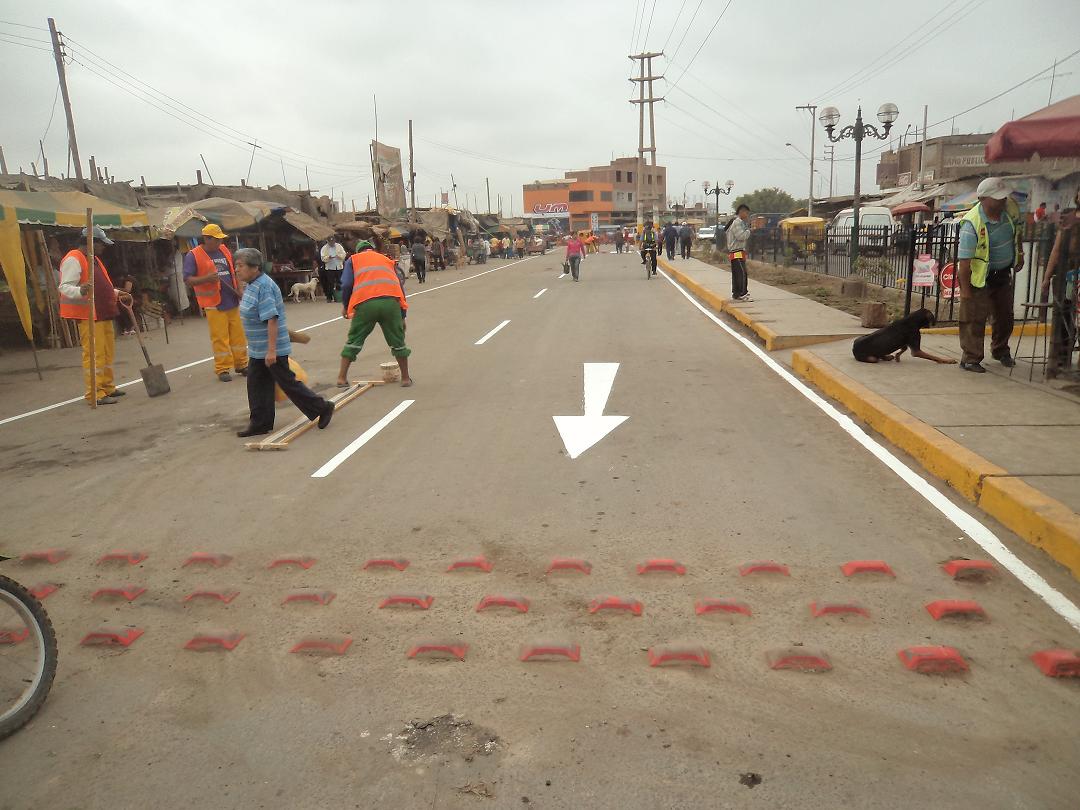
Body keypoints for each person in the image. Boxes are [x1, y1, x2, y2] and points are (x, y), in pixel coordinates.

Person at [232, 248, 333, 437]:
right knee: (257, 385)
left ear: (255, 267)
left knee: (288, 383)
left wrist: (271, 351)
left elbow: (272, 319)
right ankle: (260, 423)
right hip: (257, 348)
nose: (237, 270)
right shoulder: (251, 285)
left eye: (241, 266)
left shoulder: (264, 286)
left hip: (272, 347)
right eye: (236, 266)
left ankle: (322, 407)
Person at [956, 177, 1024, 372]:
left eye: (1003, 197)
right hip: (980, 279)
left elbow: (1017, 232)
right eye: (997, 198)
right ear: (983, 198)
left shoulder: (1009, 212)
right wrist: (966, 291)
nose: (1002, 201)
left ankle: (1000, 350)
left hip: (1002, 275)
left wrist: (1019, 253)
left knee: (1005, 316)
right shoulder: (972, 224)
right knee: (974, 319)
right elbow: (965, 262)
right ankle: (970, 358)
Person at [58, 226, 125, 406]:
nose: (103, 247)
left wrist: (117, 293)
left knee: (106, 352)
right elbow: (64, 287)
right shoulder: (74, 259)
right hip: (89, 315)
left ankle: (107, 386)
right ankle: (95, 392)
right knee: (95, 355)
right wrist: (80, 290)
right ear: (91, 243)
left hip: (104, 313)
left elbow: (103, 285)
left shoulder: (93, 259)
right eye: (101, 244)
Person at [336, 240, 412, 388]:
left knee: (354, 339)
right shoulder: (386, 259)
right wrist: (403, 315)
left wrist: (346, 306)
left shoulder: (353, 260)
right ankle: (405, 379)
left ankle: (341, 378)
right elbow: (399, 286)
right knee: (398, 341)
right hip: (391, 302)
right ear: (372, 249)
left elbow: (346, 284)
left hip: (366, 304)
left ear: (358, 251)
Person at [184, 224, 249, 382]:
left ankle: (241, 364)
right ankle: (223, 369)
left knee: (238, 335)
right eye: (217, 239)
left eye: (221, 239)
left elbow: (235, 271)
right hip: (214, 303)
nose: (220, 242)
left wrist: (240, 289)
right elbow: (187, 280)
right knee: (220, 338)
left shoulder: (224, 250)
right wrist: (206, 279)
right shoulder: (193, 255)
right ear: (207, 239)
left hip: (232, 300)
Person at [1041, 189, 1079, 378]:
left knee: (1075, 319)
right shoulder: (1068, 218)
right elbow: (1056, 249)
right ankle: (1058, 360)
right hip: (1066, 274)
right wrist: (1047, 276)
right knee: (1062, 315)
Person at [852, 308, 957, 364]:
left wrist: (901, 351)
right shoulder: (913, 331)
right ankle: (880, 355)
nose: (928, 326)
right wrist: (940, 359)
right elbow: (916, 353)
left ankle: (881, 354)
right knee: (873, 360)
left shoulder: (902, 323)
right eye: (928, 323)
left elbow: (901, 340)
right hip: (862, 352)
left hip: (859, 341)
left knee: (882, 340)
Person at [727, 204, 752, 302]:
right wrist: (749, 231)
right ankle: (742, 293)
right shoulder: (737, 223)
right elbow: (741, 236)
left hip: (738, 251)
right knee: (741, 273)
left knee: (737, 273)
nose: (747, 215)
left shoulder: (740, 223)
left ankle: (736, 293)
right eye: (746, 212)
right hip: (736, 251)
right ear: (741, 212)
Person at [319, 235, 346, 303]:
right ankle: (329, 297)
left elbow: (344, 254)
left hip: (338, 266)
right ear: (327, 241)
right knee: (330, 283)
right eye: (330, 242)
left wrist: (339, 256)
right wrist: (328, 257)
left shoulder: (339, 246)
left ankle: (340, 297)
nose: (332, 243)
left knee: (340, 282)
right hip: (330, 267)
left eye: (333, 241)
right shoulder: (324, 248)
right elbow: (322, 258)